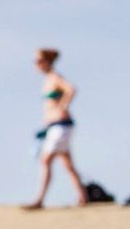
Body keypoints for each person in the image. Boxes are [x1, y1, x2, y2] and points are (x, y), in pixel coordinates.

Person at [23, 48, 86, 210]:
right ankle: (83, 196)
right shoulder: (48, 80)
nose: (36, 65)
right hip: (55, 126)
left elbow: (71, 89)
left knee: (46, 160)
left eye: (38, 61)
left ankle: (40, 199)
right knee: (67, 164)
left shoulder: (55, 78)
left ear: (46, 62)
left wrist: (63, 105)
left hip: (61, 125)